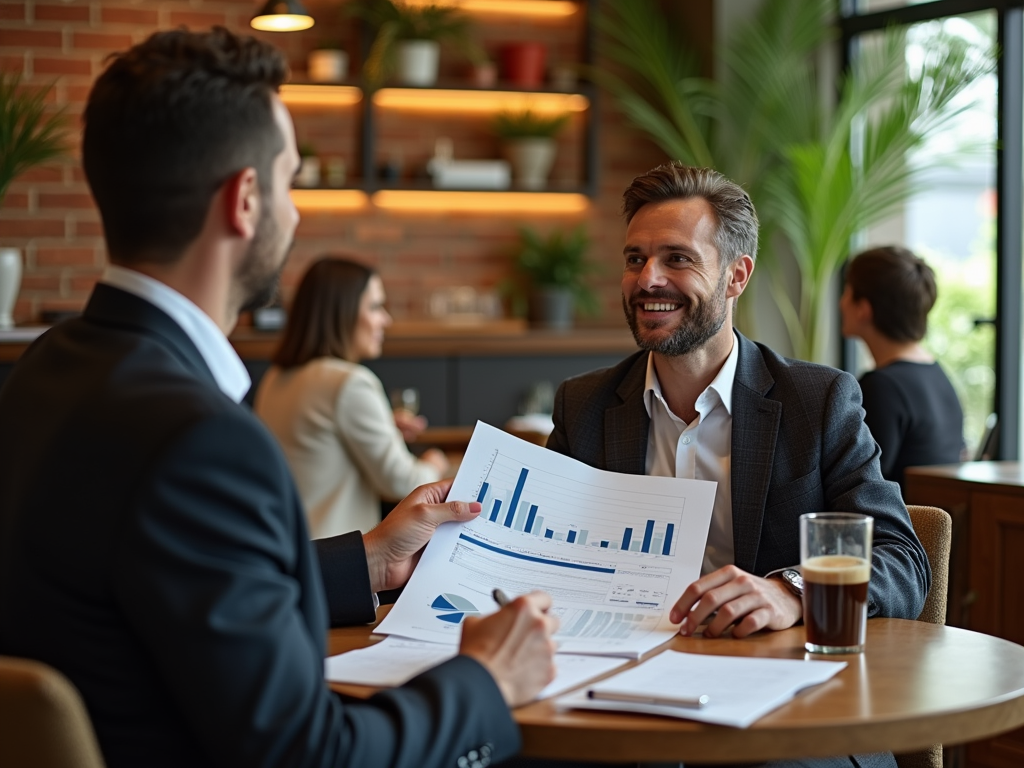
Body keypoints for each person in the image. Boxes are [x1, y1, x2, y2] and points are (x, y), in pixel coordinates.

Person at [0, 28, 559, 768]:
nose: (295, 215)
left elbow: (167, 595)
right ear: (246, 199)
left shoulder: (48, 368)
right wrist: (486, 679)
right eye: (290, 182)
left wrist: (368, 562)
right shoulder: (200, 439)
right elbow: (308, 754)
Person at [546, 163, 929, 768]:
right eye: (635, 259)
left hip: (786, 713)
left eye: (677, 259)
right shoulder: (585, 405)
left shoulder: (817, 401)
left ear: (736, 276)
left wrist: (791, 591)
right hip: (617, 697)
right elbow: (539, 552)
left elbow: (903, 561)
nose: (649, 279)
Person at [254, 257, 448, 537]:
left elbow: (319, 449)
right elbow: (405, 484)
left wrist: (385, 426)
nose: (386, 320)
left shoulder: (277, 377)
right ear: (341, 313)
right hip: (338, 558)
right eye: (375, 307)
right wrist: (435, 461)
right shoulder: (350, 382)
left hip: (292, 549)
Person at [840, 246, 965, 492]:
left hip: (898, 528)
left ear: (863, 308)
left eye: (846, 291)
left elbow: (862, 486)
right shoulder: (938, 376)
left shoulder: (881, 387)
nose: (841, 302)